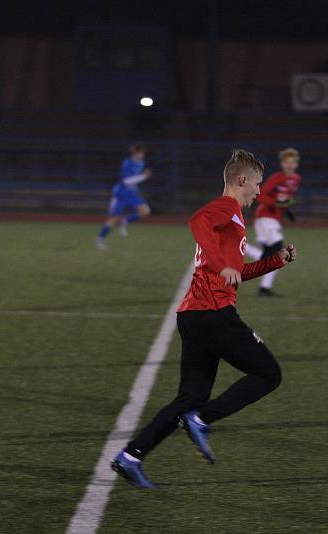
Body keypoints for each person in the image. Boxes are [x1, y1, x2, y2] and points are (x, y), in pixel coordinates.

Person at [111, 149, 297, 489]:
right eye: (256, 184)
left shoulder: (235, 219)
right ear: (242, 180)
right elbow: (197, 221)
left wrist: (276, 261)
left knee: (190, 396)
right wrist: (220, 264)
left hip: (194, 315)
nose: (259, 191)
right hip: (213, 314)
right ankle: (202, 419)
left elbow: (237, 272)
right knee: (269, 373)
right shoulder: (227, 207)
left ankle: (132, 455)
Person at [245, 148, 302, 297]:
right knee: (277, 255)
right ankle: (239, 246)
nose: (290, 165)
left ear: (296, 164)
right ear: (282, 164)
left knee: (270, 258)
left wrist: (287, 210)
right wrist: (277, 203)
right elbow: (259, 195)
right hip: (265, 217)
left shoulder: (296, 179)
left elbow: (285, 198)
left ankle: (264, 288)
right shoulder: (277, 177)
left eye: (293, 162)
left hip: (273, 220)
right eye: (287, 162)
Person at [96, 142, 152, 249]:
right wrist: (144, 176)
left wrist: (139, 183)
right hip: (121, 193)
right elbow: (126, 181)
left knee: (146, 211)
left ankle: (124, 221)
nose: (143, 155)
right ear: (135, 153)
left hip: (132, 193)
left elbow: (135, 180)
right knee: (114, 218)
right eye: (141, 153)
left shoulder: (141, 163)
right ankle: (100, 238)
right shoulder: (126, 163)